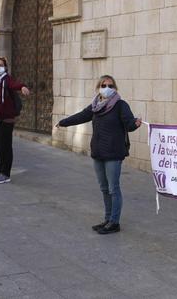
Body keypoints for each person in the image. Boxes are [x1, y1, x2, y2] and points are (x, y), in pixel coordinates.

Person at [56, 75, 142, 235]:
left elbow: (129, 124)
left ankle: (114, 222)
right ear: (98, 88)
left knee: (113, 188)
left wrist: (135, 124)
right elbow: (82, 116)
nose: (107, 88)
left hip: (114, 153)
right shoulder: (95, 106)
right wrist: (63, 122)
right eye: (103, 85)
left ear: (115, 88)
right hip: (98, 152)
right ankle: (107, 219)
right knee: (104, 188)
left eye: (110, 85)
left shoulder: (121, 105)